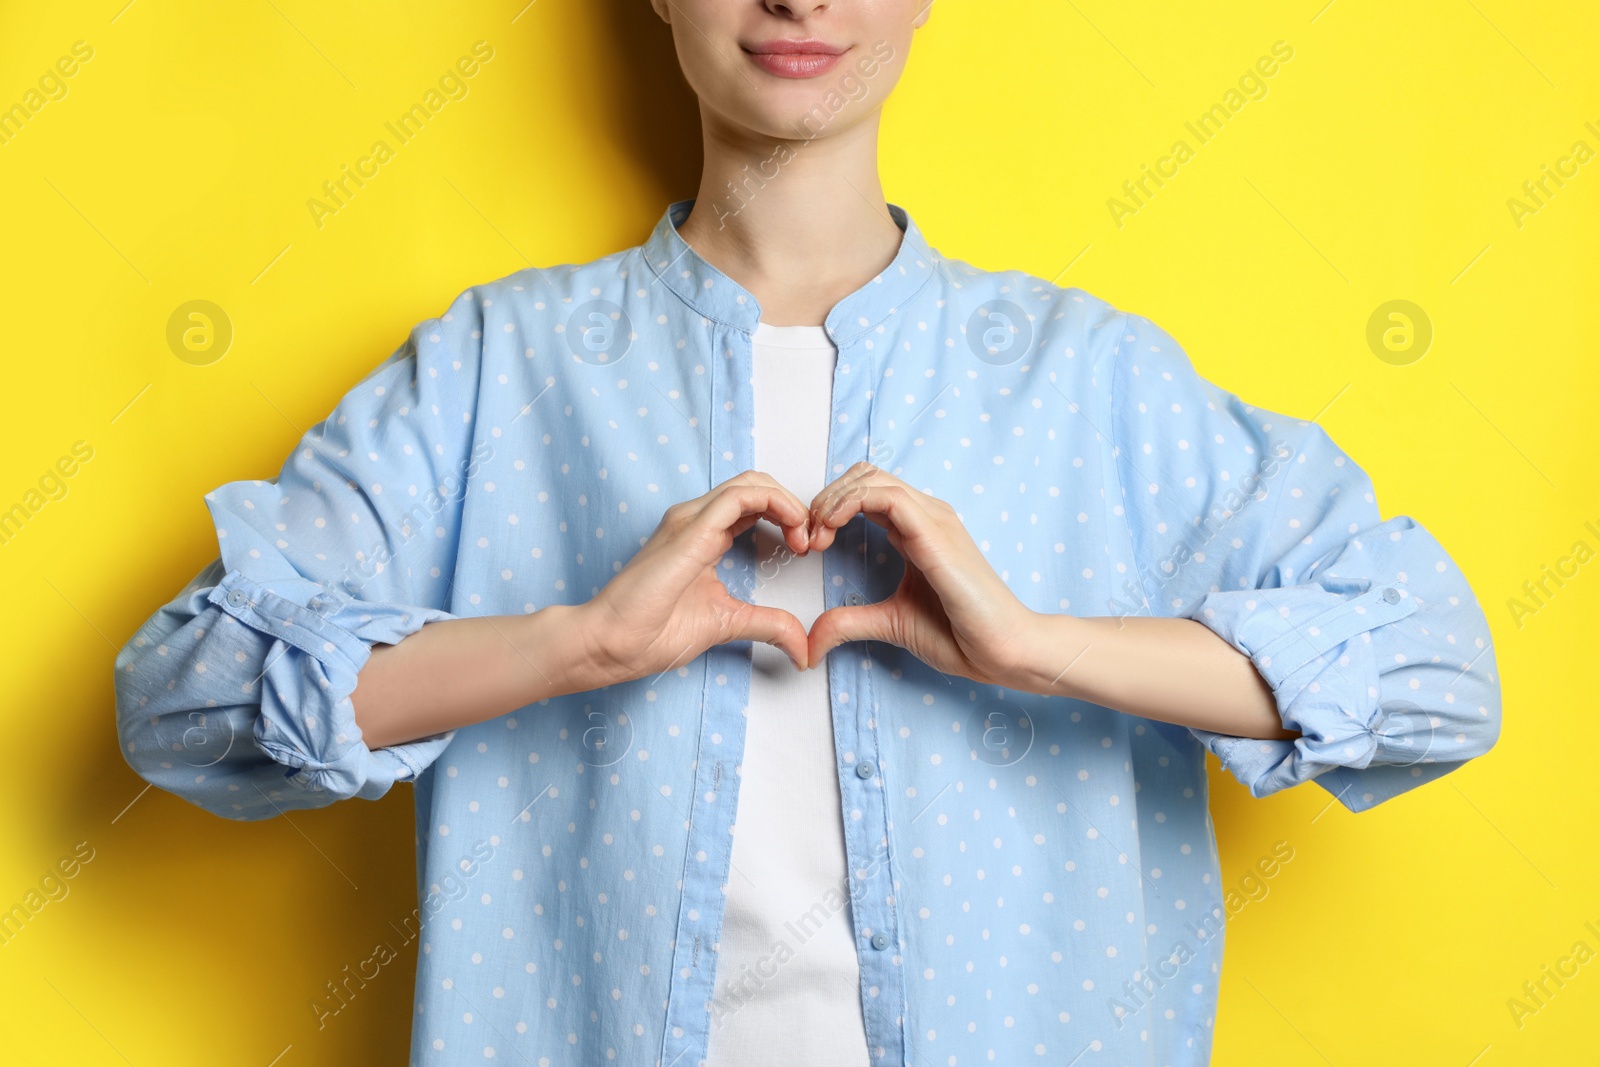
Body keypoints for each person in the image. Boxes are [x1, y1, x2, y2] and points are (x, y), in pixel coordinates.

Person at [113, 2, 1502, 1064]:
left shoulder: (1092, 383)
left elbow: (1441, 677)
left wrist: (1042, 648)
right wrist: (571, 645)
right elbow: (176, 701)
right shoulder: (497, 370)